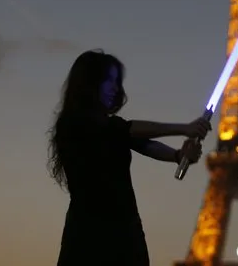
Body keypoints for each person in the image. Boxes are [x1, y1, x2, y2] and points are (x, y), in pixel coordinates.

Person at [47, 49, 212, 266]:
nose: (115, 88)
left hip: (122, 231)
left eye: (117, 81)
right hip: (93, 234)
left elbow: (143, 144)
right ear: (89, 83)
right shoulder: (76, 124)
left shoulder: (107, 127)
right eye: (109, 80)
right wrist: (184, 129)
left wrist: (177, 155)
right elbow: (130, 131)